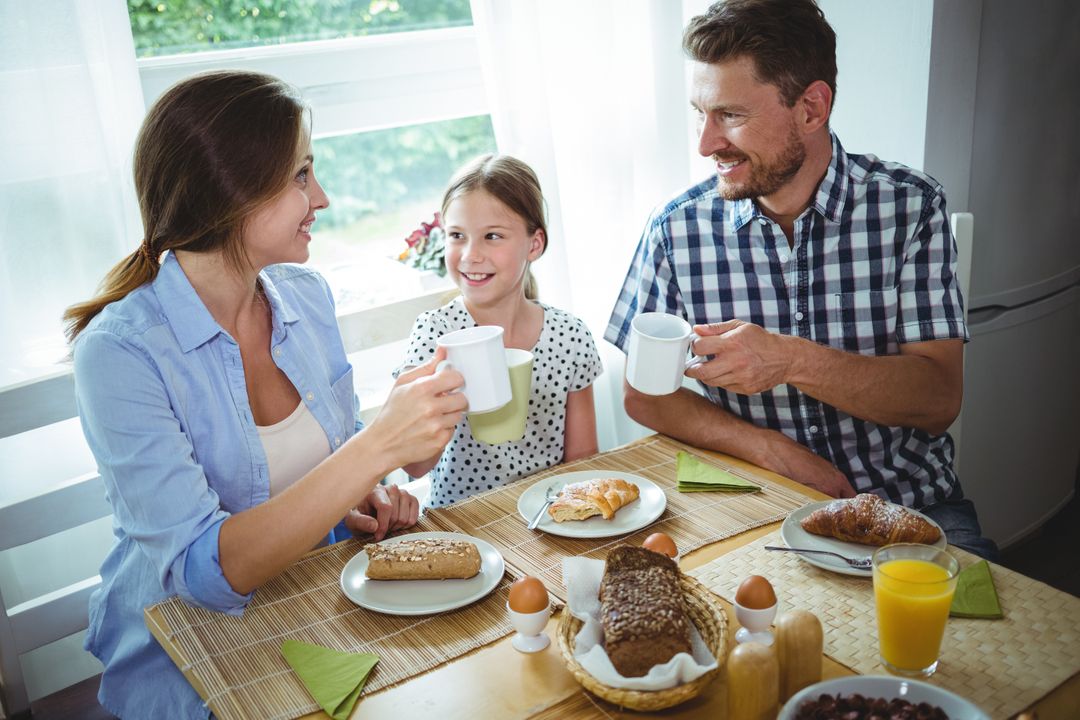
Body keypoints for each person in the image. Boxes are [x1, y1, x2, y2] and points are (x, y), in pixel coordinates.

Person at [64, 70, 468, 718]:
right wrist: (374, 448)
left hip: (315, 617)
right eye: (302, 175)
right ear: (234, 192)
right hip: (194, 666)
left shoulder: (305, 297)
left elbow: (317, 470)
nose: (325, 197)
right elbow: (205, 576)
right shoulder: (119, 354)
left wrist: (361, 499)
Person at [605, 0, 997, 559]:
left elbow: (939, 398)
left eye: (731, 116)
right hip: (754, 506)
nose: (706, 143)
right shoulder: (676, 229)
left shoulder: (910, 207)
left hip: (911, 508)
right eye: (701, 113)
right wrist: (767, 450)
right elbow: (645, 394)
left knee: (983, 643)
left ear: (811, 108)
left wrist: (789, 360)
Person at [397, 154, 602, 507]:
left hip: (547, 519)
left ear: (534, 244)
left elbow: (582, 464)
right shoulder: (435, 334)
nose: (470, 255)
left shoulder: (569, 335)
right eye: (457, 236)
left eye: (492, 236)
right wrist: (444, 396)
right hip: (462, 523)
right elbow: (415, 466)